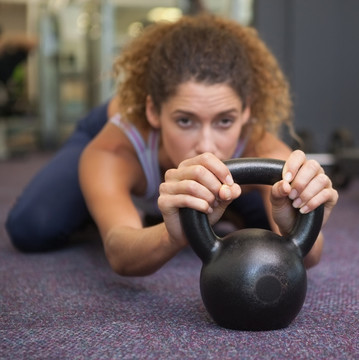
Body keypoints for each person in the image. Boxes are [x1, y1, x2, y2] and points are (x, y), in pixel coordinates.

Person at [5, 15, 338, 276]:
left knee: (268, 227)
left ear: (246, 111)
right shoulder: (117, 147)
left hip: (226, 165)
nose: (207, 145)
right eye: (185, 121)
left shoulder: (261, 144)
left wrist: (300, 225)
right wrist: (171, 235)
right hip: (113, 132)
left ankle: (224, 207)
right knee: (33, 227)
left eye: (224, 120)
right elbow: (119, 254)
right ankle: (114, 205)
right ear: (154, 111)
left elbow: (307, 257)